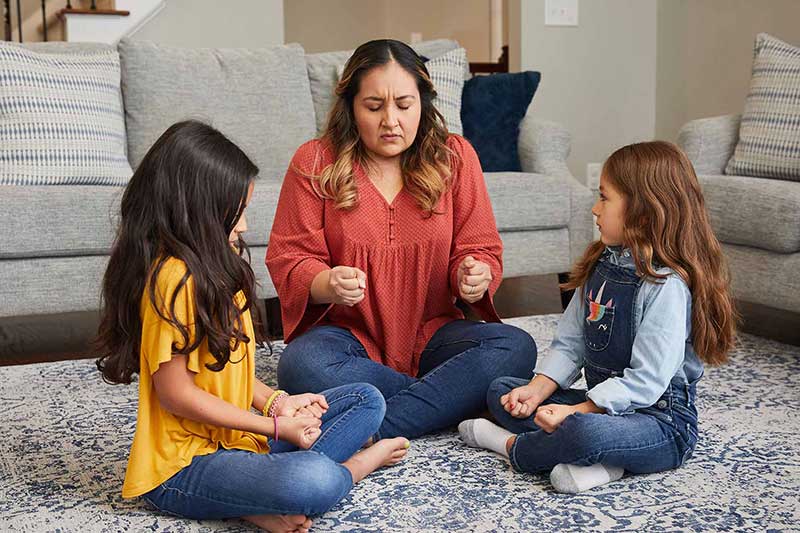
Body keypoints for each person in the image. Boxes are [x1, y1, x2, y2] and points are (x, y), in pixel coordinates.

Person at [95, 120, 408, 533]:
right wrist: (276, 427)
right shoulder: (171, 279)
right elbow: (175, 395)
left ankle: (251, 494)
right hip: (183, 466)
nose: (242, 225)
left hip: (239, 442)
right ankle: (352, 467)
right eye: (236, 213)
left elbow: (228, 366)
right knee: (311, 481)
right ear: (198, 210)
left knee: (366, 400)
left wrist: (277, 402)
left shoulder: (217, 266)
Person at [266, 39, 536, 440]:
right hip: (349, 337)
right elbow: (290, 255)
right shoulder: (315, 161)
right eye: (374, 107)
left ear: (423, 104)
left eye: (404, 105)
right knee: (300, 364)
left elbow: (480, 247)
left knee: (516, 347)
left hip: (434, 335)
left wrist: (476, 273)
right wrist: (326, 282)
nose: (390, 120)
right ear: (351, 108)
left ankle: (375, 424)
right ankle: (462, 401)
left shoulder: (455, 157)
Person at [459, 141, 737, 493]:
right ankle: (608, 464)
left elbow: (647, 382)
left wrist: (580, 412)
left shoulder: (667, 288)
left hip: (660, 423)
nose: (594, 208)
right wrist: (535, 390)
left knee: (581, 432)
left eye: (604, 198)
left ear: (644, 213)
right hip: (603, 408)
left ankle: (512, 447)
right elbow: (572, 343)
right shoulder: (601, 266)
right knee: (503, 392)